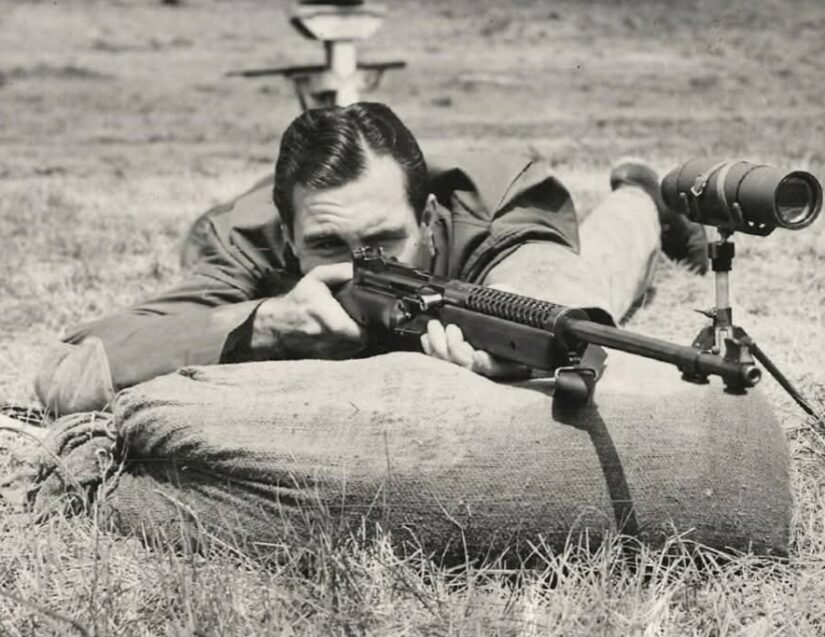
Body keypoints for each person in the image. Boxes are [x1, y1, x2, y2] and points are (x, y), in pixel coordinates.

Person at [33, 102, 707, 415]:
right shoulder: (247, 241)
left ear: (426, 217)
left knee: (603, 282)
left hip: (482, 260)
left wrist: (518, 348)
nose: (359, 263)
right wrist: (263, 323)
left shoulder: (476, 214)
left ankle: (644, 197)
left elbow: (549, 287)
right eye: (328, 246)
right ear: (289, 234)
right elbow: (76, 365)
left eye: (384, 242)